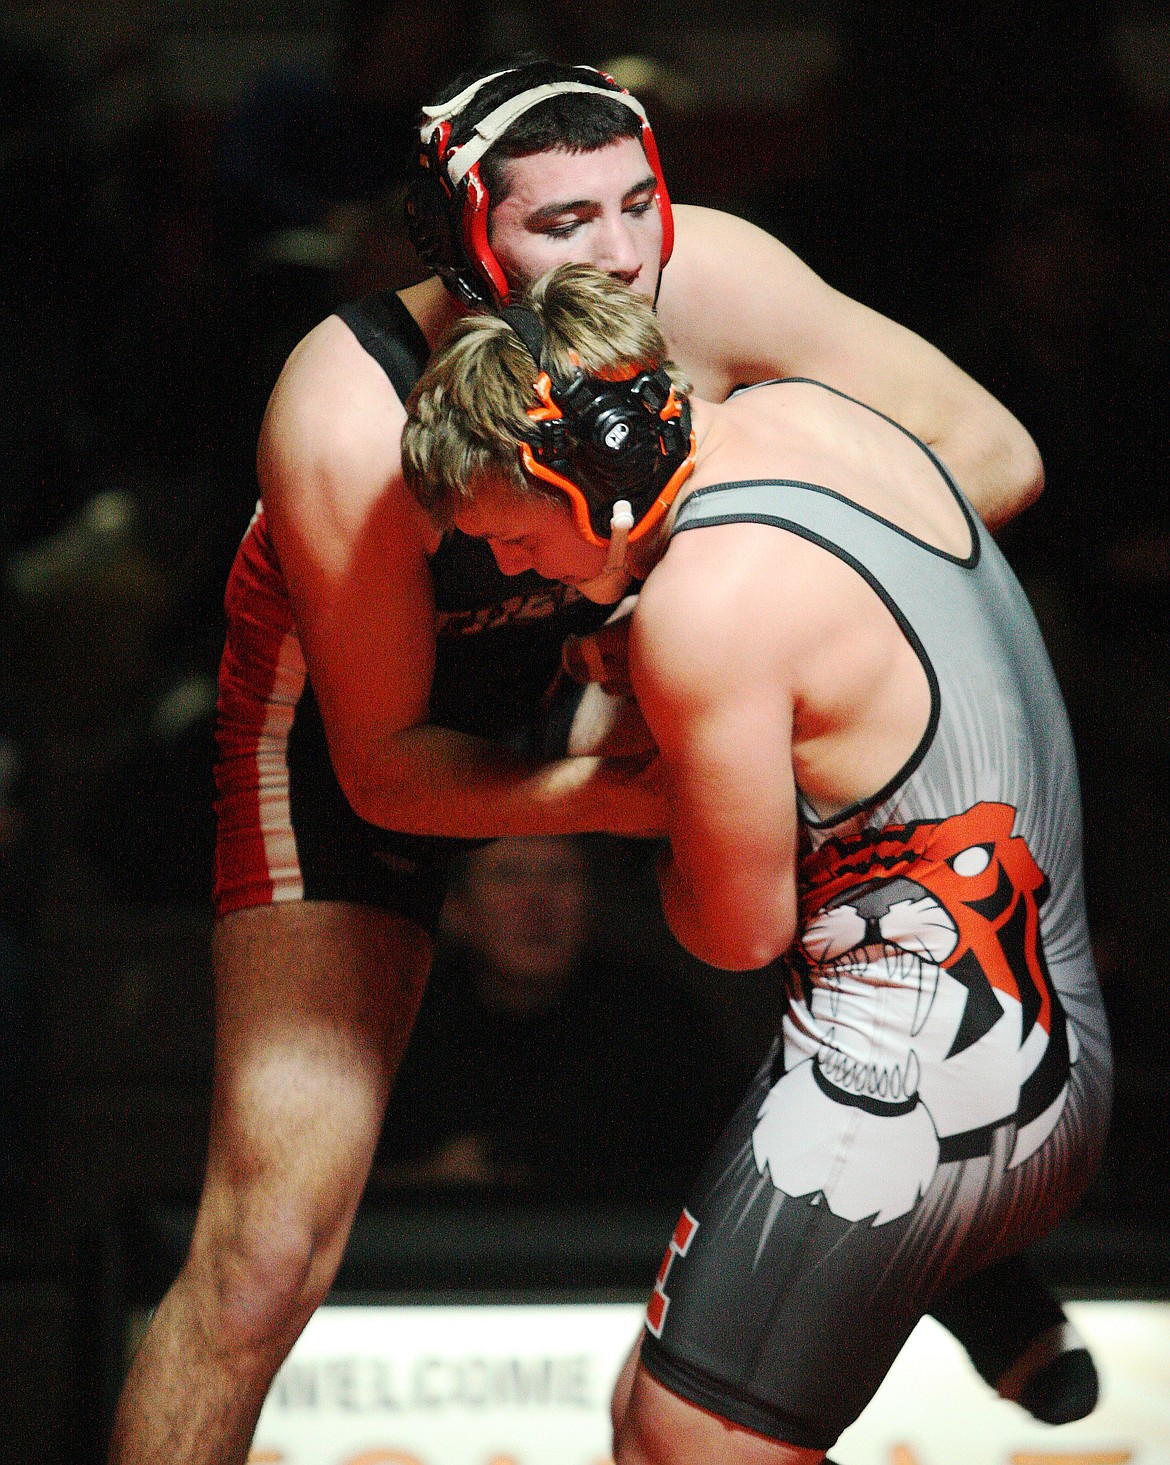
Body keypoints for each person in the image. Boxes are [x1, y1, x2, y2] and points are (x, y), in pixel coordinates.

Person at [107, 59, 1076, 1464]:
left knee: (814, 744)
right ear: (470, 241)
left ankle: (950, 1235)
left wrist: (703, 614)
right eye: (565, 225)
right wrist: (635, 770)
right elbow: (384, 766)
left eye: (636, 203)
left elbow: (985, 456)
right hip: (358, 733)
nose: (621, 253)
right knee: (262, 1254)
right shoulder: (348, 417)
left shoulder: (704, 280)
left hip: (603, 639)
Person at [399, 261, 1113, 1462]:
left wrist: (656, 773)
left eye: (516, 537)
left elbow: (735, 932)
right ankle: (996, 1303)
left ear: (594, 467)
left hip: (912, 1104)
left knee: (681, 1442)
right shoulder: (809, 418)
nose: (521, 573)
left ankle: (981, 1290)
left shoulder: (705, 610)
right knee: (650, 1414)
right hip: (1041, 1040)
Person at [376, 833, 739, 1199]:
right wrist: (426, 1181)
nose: (536, 901)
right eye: (510, 876)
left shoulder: (659, 1021)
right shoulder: (404, 1018)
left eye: (561, 876)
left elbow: (729, 1171)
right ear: (456, 908)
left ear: (594, 900)